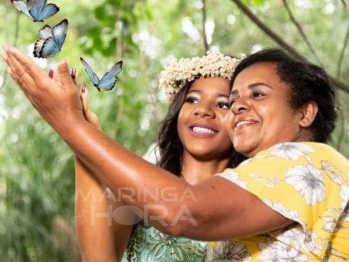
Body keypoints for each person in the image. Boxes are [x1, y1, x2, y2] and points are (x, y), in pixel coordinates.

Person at [3, 46, 349, 261]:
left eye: (256, 95)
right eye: (193, 100)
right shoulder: (245, 192)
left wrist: (71, 125)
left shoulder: (305, 160)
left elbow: (180, 212)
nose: (239, 107)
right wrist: (81, 134)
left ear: (305, 112)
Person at [74, 52, 246, 261]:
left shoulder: (251, 199)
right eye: (192, 99)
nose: (203, 110)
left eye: (222, 104)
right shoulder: (138, 191)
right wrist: (81, 134)